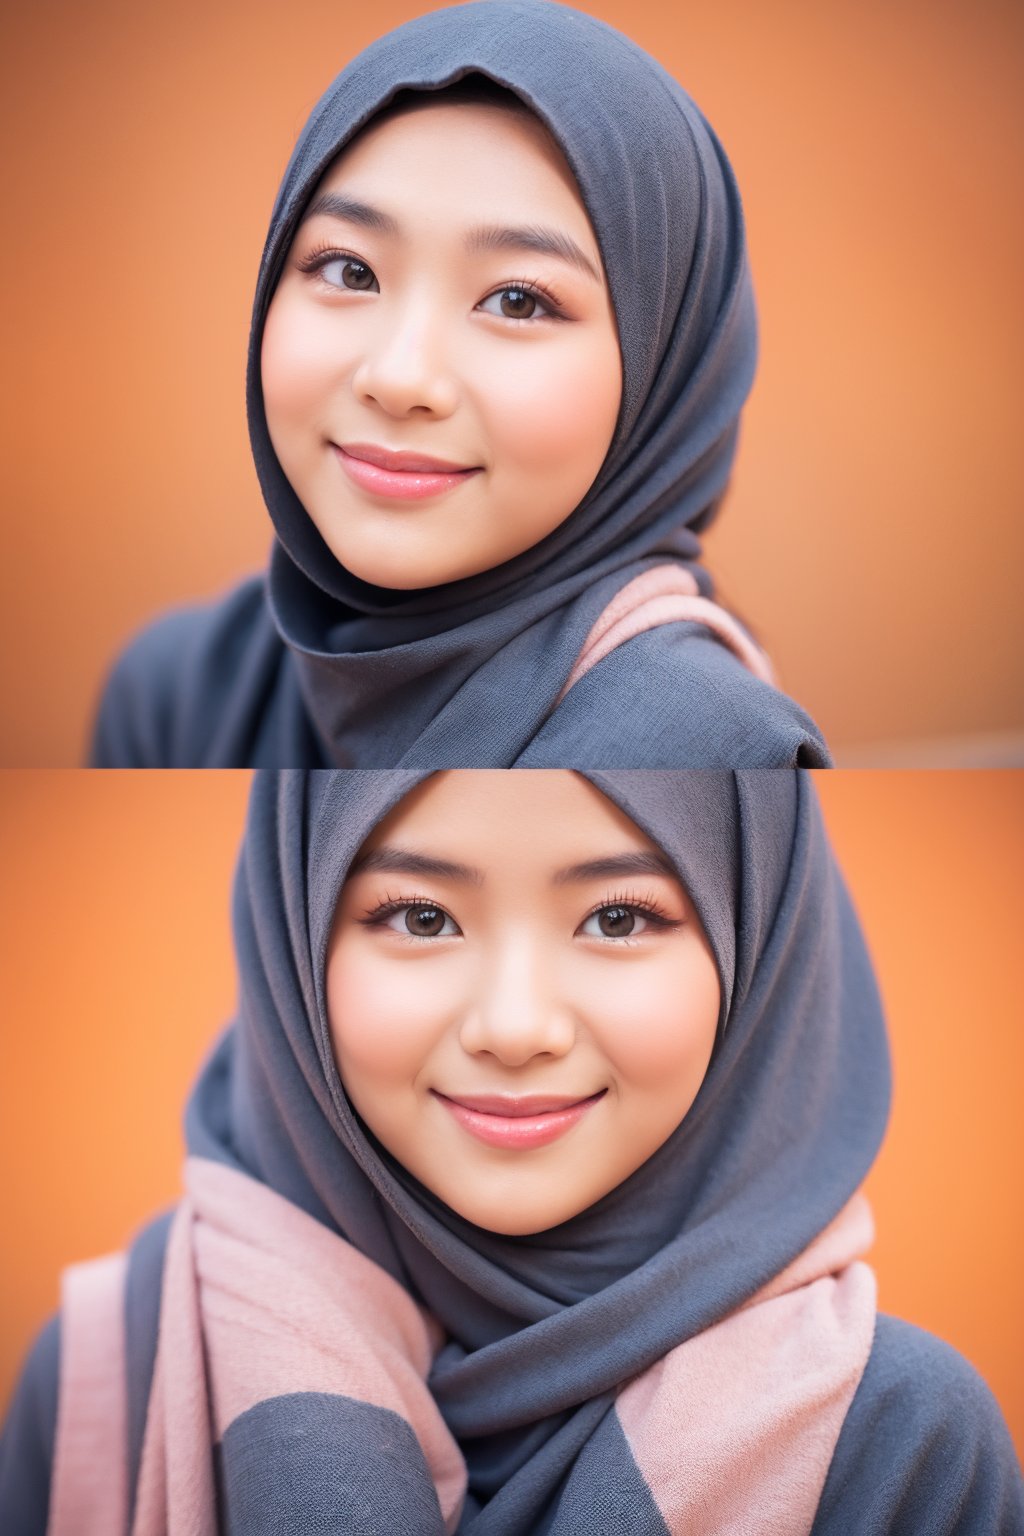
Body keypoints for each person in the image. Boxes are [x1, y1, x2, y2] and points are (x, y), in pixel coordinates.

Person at [2, 769, 1020, 1533]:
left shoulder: (895, 1438)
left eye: (618, 917)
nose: (515, 1024)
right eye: (421, 915)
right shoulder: (116, 1372)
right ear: (294, 947)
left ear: (754, 955)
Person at [89, 1, 830, 769]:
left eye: (517, 300)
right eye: (350, 270)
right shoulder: (175, 695)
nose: (400, 377)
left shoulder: (704, 751)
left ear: (665, 370)